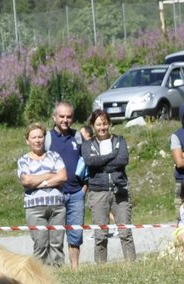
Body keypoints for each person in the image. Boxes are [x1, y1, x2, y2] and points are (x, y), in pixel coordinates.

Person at [78, 109, 134, 263]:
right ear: (93, 126)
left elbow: (122, 160)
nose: (102, 127)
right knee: (100, 235)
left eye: (104, 124)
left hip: (120, 191)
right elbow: (90, 162)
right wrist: (111, 156)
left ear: (109, 124)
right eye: (98, 124)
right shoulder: (87, 144)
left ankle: (132, 265)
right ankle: (101, 267)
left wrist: (101, 162)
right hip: (98, 192)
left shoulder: (119, 141)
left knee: (125, 232)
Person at [17, 122, 67, 265]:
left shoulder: (54, 156)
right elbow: (26, 181)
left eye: (40, 137)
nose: (37, 140)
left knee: (57, 244)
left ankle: (59, 273)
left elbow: (63, 176)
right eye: (34, 137)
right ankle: (40, 276)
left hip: (57, 207)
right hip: (35, 208)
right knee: (41, 245)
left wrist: (40, 183)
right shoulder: (23, 160)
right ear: (27, 140)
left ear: (44, 138)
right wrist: (49, 175)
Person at [47, 102, 86, 269]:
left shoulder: (78, 137)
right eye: (61, 116)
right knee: (55, 234)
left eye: (68, 117)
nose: (65, 120)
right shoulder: (46, 138)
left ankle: (75, 268)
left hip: (76, 193)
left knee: (75, 233)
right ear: (54, 117)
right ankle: (56, 268)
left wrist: (84, 189)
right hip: (55, 193)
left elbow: (87, 162)